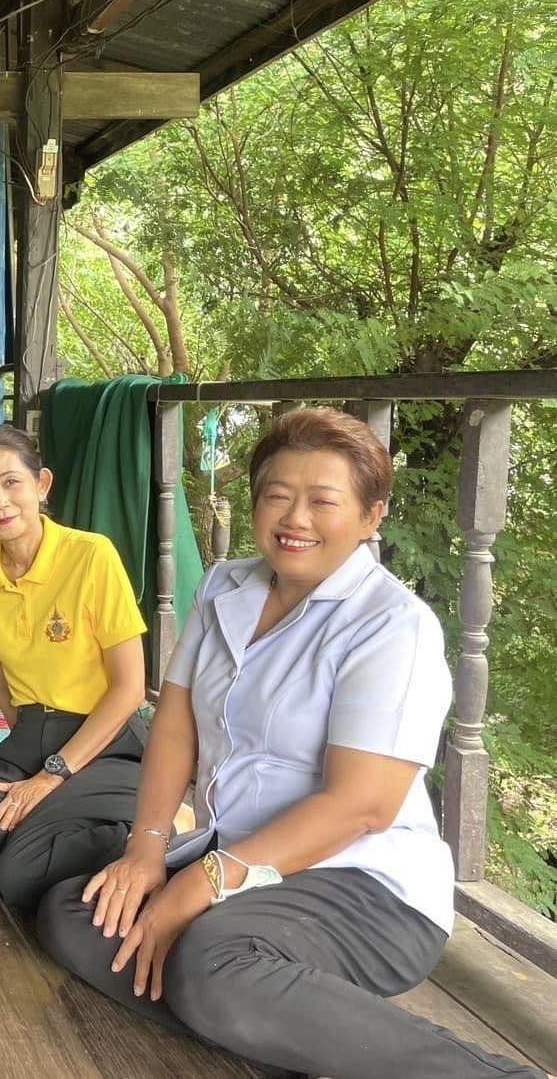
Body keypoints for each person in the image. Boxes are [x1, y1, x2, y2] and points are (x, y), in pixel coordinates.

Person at [35, 408, 540, 1079]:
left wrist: (199, 885)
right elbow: (176, 723)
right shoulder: (224, 587)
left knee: (210, 960)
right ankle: (281, 1027)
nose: (294, 518)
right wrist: (146, 849)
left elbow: (360, 808)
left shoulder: (392, 627)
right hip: (242, 864)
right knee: (77, 911)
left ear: (370, 516)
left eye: (322, 501)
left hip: (363, 884)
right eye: (276, 495)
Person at [0, 424, 149, 911]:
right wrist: (27, 763)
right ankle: (54, 834)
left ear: (41, 484)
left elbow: (130, 689)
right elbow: (2, 677)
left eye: (12, 482)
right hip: (28, 744)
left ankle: (138, 828)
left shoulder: (90, 555)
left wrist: (52, 775)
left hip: (107, 745)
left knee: (21, 867)